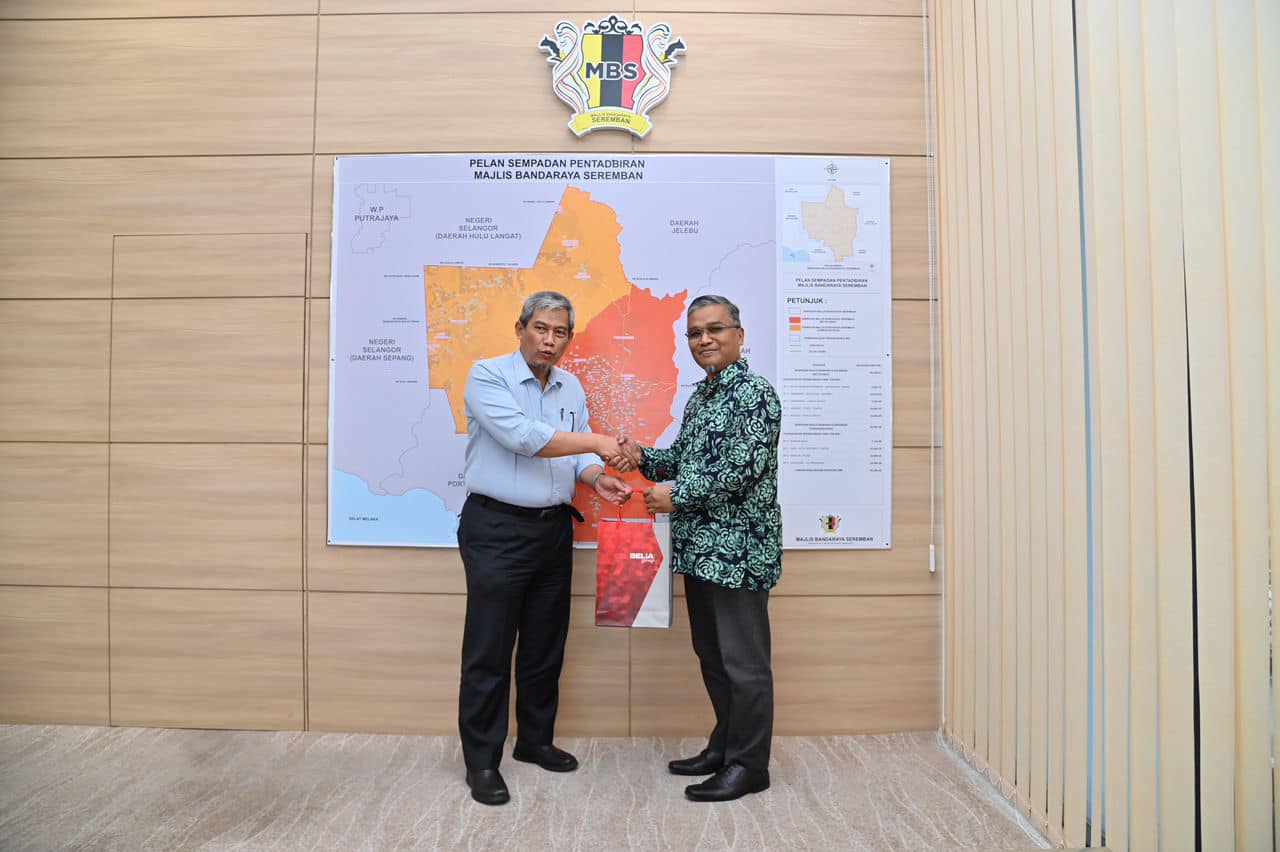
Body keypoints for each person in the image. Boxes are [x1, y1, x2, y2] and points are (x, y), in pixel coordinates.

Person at [457, 290, 633, 806]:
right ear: (521, 329)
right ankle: (482, 762)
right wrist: (599, 443)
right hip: (496, 529)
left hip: (553, 531)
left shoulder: (570, 385)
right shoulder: (488, 376)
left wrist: (597, 477)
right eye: (541, 328)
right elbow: (525, 438)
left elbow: (575, 455)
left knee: (544, 645)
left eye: (560, 332)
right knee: (489, 650)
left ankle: (534, 741)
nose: (549, 340)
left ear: (568, 339)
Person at [620, 294, 782, 802]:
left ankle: (749, 766)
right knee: (712, 658)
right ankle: (726, 746)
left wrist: (677, 496)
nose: (704, 340)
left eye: (715, 329)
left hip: (738, 554)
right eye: (695, 333)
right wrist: (643, 457)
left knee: (744, 665)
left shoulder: (755, 394)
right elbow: (685, 461)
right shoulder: (702, 397)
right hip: (699, 553)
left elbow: (740, 471)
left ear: (739, 335)